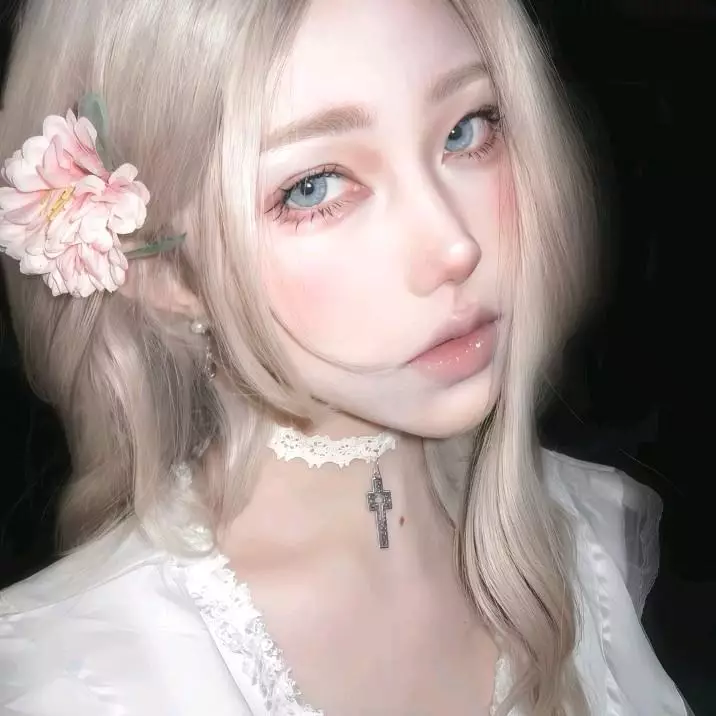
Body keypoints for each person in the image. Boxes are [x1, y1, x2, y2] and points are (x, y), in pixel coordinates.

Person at [0, 0, 692, 714]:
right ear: (165, 275)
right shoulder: (69, 682)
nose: (455, 246)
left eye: (468, 129)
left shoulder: (586, 534)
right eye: (314, 188)